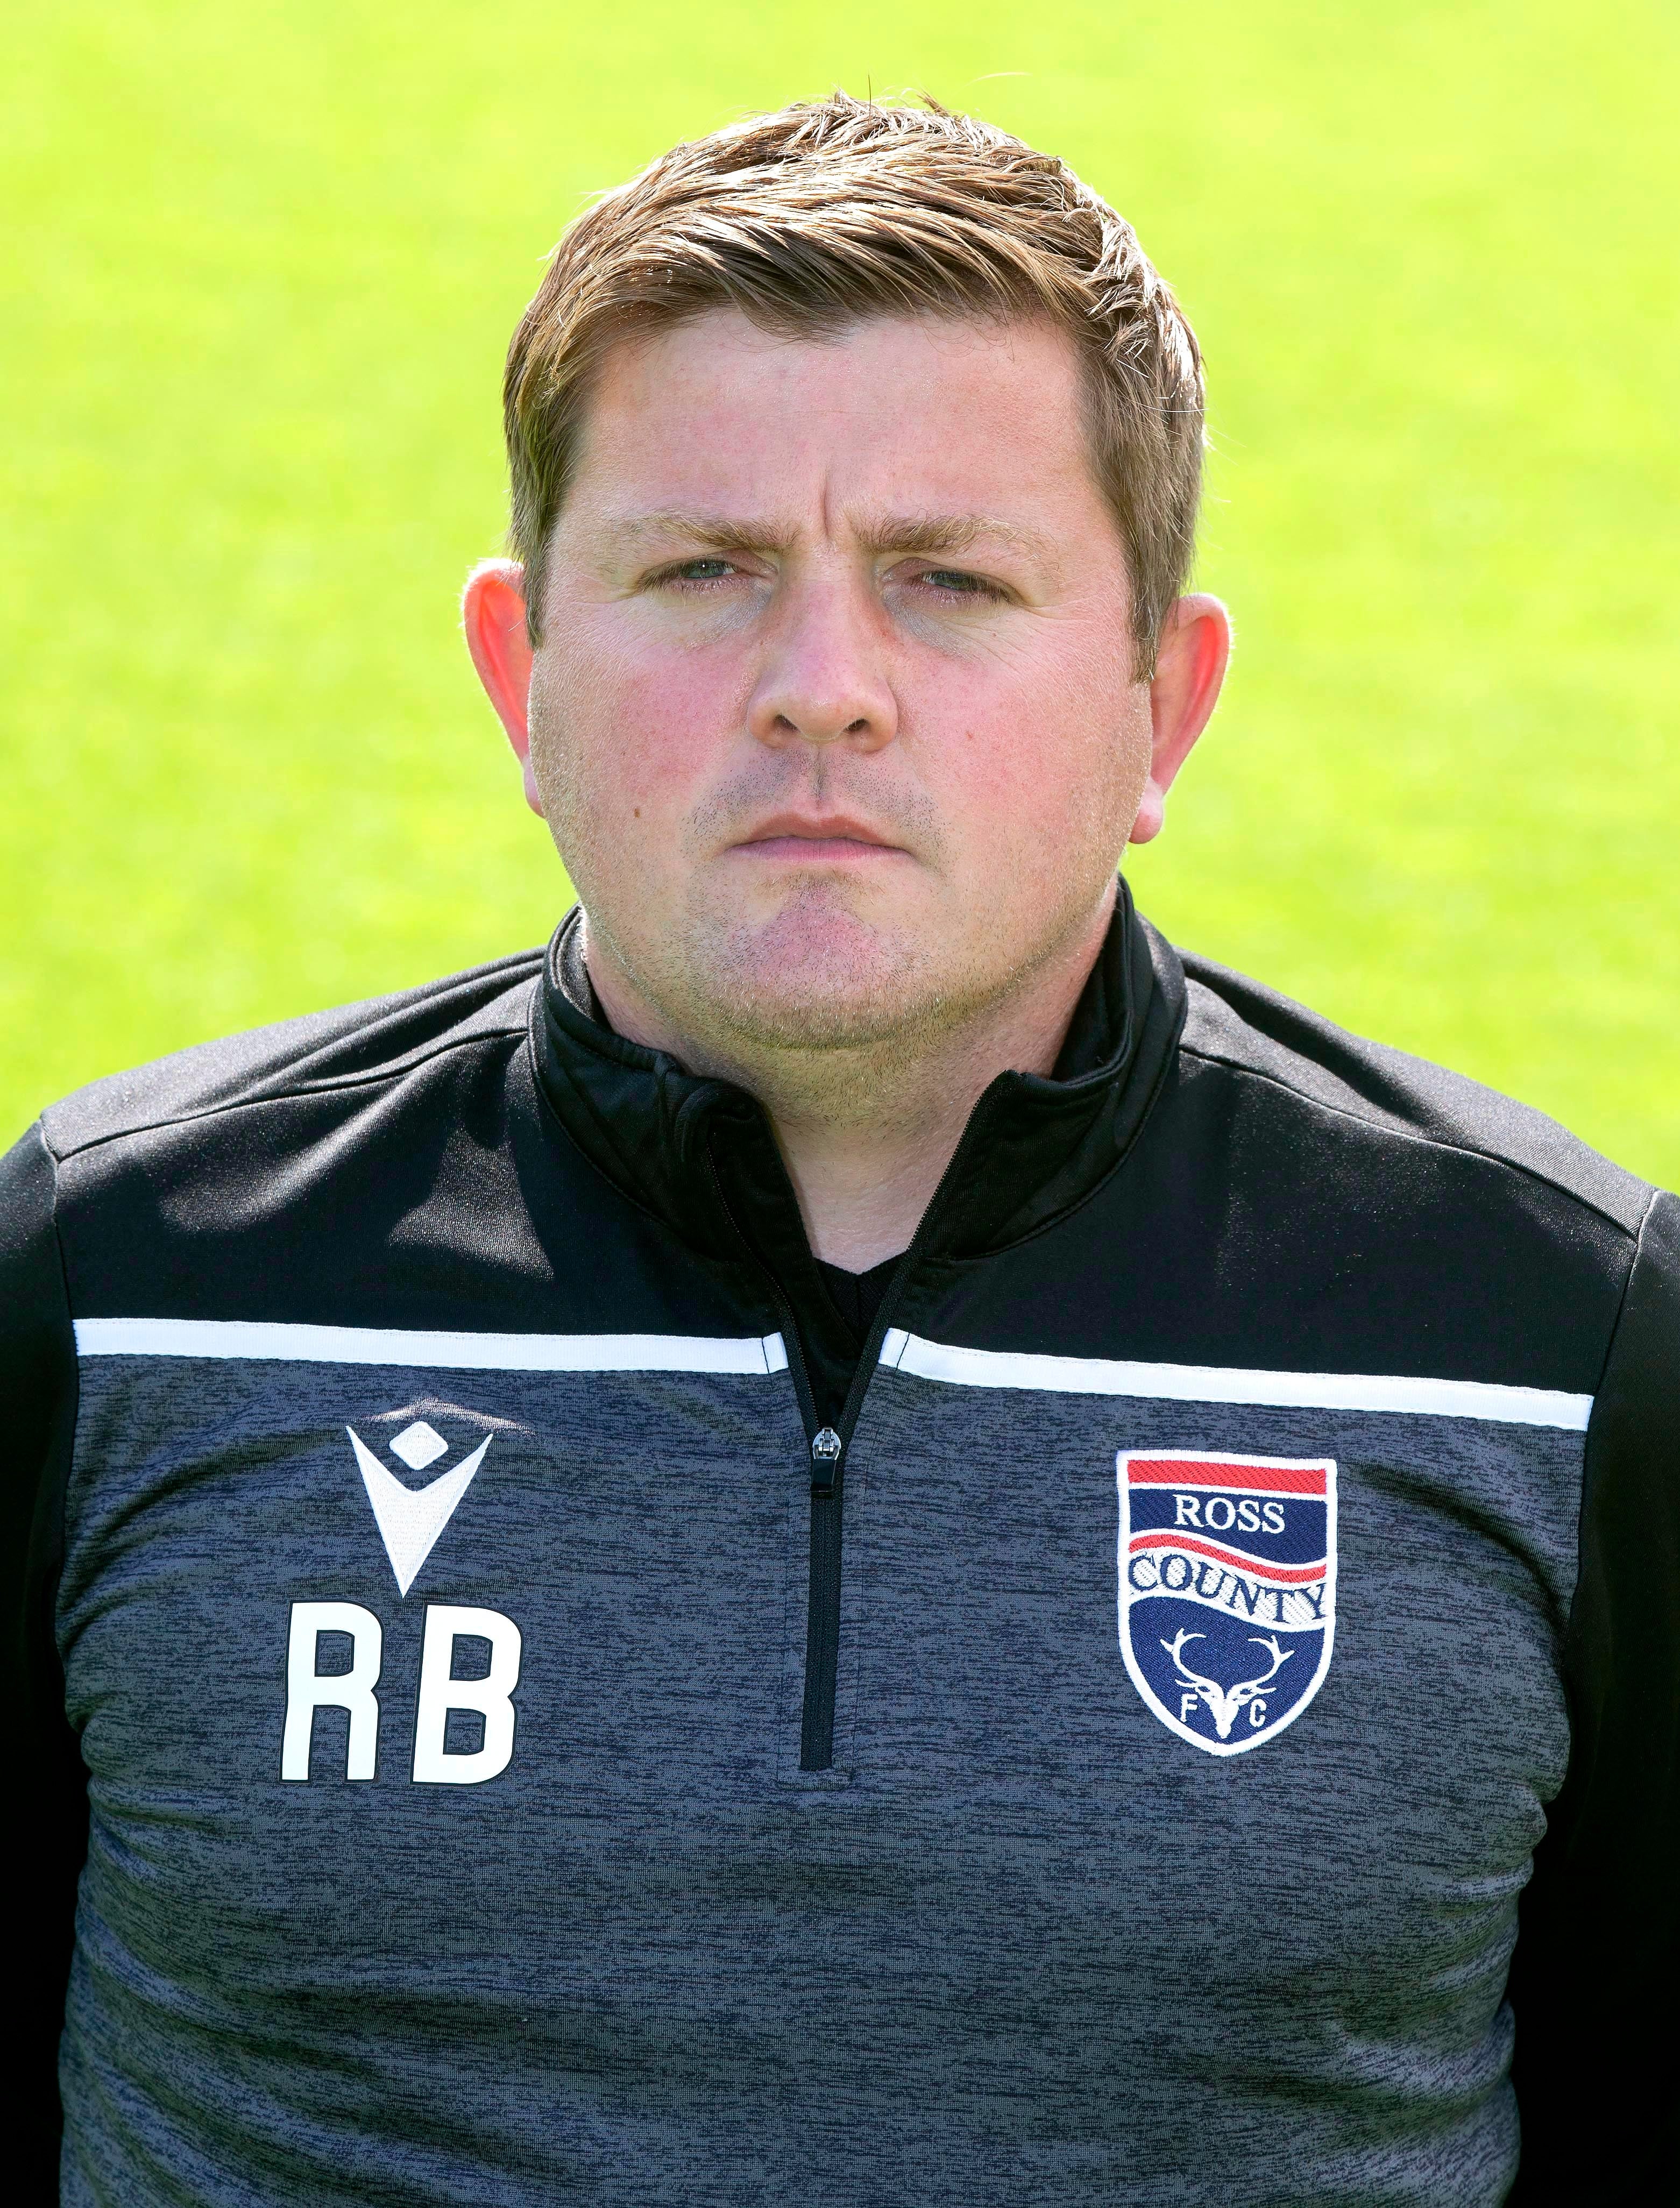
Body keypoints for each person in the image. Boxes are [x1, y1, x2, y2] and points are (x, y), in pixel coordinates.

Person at [3, 91, 1674, 2208]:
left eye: (947, 582)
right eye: (702, 574)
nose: (822, 688)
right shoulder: (123, 1280)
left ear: (1163, 700)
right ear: (520, 672)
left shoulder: (1547, 1337)